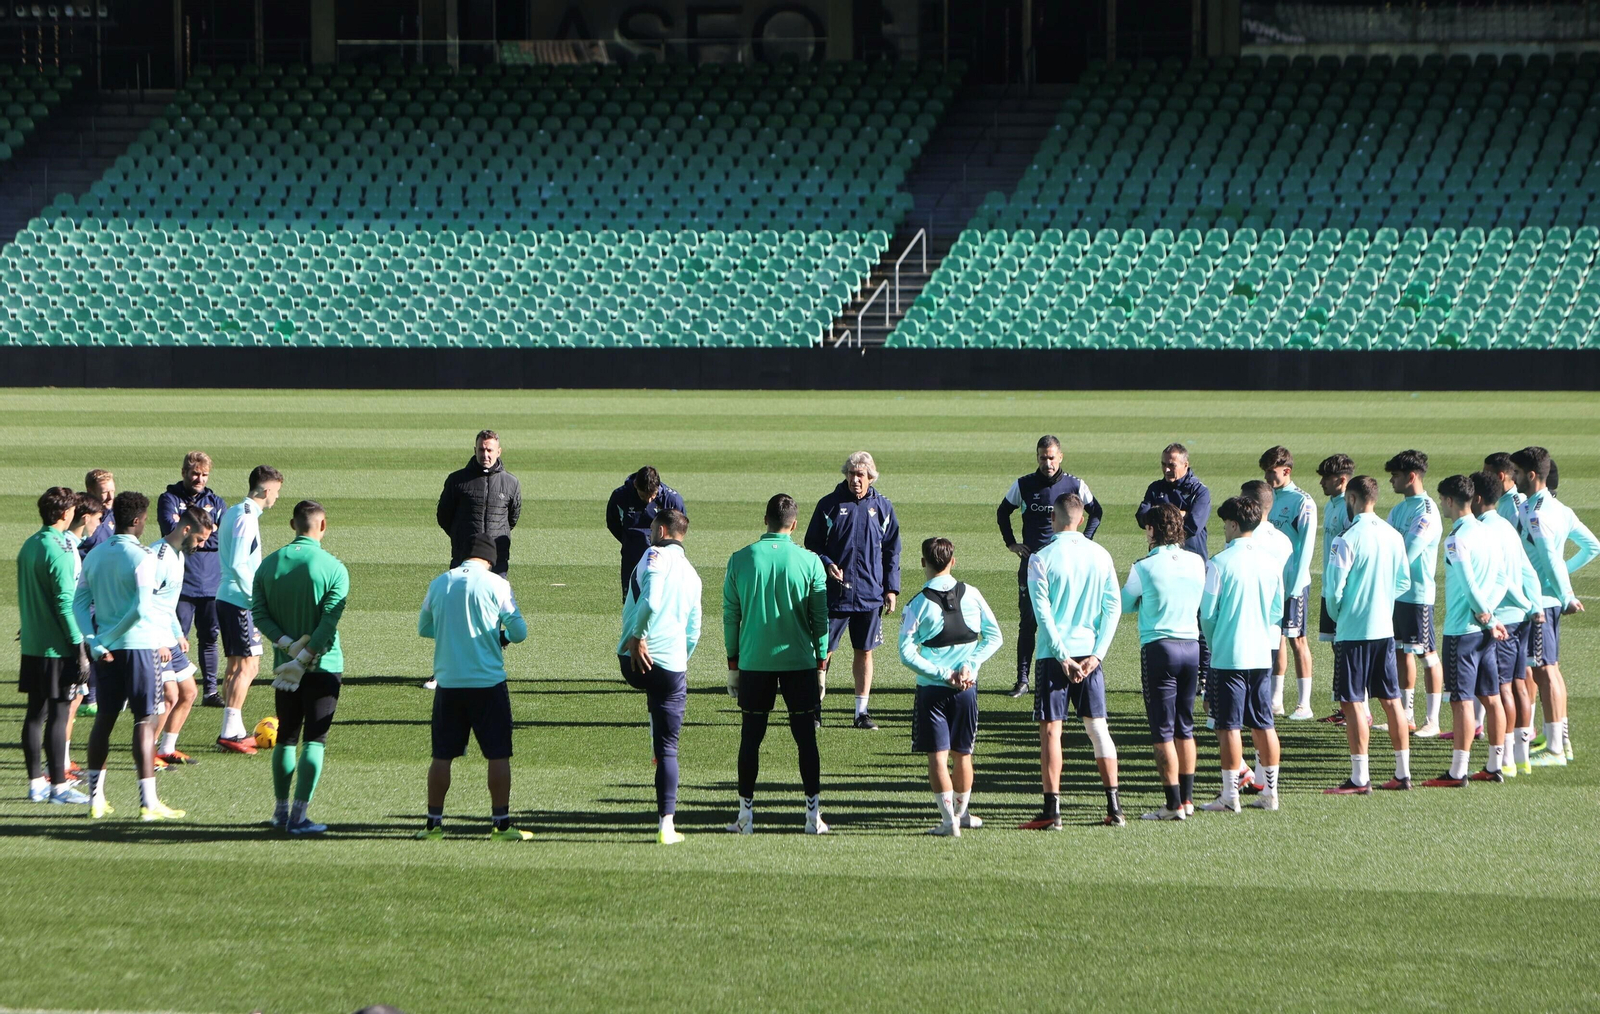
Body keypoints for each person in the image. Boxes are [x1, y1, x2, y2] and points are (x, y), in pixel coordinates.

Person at [72, 491, 185, 821]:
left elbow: (79, 603)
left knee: (104, 719)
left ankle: (96, 799)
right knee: (144, 721)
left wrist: (94, 640)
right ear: (137, 520)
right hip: (139, 647)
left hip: (105, 653)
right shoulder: (144, 556)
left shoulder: (95, 554)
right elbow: (140, 609)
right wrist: (105, 637)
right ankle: (148, 803)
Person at [723, 494, 830, 835]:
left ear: (764, 519)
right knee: (806, 741)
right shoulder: (810, 562)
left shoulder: (740, 559)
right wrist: (821, 665)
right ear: (794, 524)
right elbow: (820, 619)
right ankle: (813, 817)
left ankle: (745, 817)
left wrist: (732, 663)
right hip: (799, 663)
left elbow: (731, 616)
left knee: (750, 739)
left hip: (754, 663)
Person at [416, 533, 531, 841]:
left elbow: (424, 627)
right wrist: (498, 637)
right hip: (488, 683)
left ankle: (433, 825)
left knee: (442, 756)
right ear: (490, 560)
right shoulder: (497, 584)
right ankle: (501, 825)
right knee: (497, 755)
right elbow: (519, 632)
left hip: (449, 683)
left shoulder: (441, 582)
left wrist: (452, 633)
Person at [1021, 493, 1123, 829]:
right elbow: (1113, 608)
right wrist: (1097, 655)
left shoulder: (1040, 558)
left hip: (1055, 656)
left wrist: (1063, 656)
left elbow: (1042, 613)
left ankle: (1052, 812)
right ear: (1080, 519)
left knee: (1052, 732)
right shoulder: (1101, 555)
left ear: (1054, 518)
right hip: (1090, 656)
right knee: (1098, 729)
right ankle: (1114, 807)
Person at [254, 500, 351, 835]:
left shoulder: (268, 565)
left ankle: (280, 813)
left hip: (284, 670)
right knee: (315, 740)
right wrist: (306, 656)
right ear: (322, 526)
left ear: (292, 524)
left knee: (286, 738)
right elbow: (328, 623)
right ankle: (299, 816)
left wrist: (287, 647)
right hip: (323, 667)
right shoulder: (334, 568)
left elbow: (259, 614)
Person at [898, 537, 1002, 836]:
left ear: (923, 563)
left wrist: (943, 674)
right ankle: (962, 813)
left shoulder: (917, 604)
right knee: (963, 754)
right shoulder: (973, 594)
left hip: (932, 691)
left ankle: (949, 822)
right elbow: (994, 637)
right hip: (966, 690)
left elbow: (906, 653)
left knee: (938, 757)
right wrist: (971, 665)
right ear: (952, 562)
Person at [1323, 476, 1413, 794]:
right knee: (1392, 702)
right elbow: (1404, 582)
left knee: (1352, 702)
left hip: (1353, 631)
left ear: (1352, 498)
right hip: (1383, 630)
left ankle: (1360, 778)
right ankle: (1403, 773)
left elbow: (1333, 591)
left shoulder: (1346, 539)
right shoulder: (1393, 535)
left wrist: (1340, 616)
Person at [616, 508, 701, 845]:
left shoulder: (654, 553)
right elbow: (694, 631)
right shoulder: (693, 574)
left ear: (662, 530)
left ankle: (654, 727)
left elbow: (650, 600)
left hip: (636, 659)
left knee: (652, 693)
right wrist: (679, 657)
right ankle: (667, 825)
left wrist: (637, 636)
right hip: (673, 667)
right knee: (669, 750)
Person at [1197, 496, 1285, 813]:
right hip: (1261, 655)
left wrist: (1214, 639)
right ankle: (1271, 793)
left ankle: (1230, 795)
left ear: (1234, 524)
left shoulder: (1219, 564)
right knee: (1264, 723)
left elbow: (1206, 614)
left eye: (1225, 524)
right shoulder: (1271, 563)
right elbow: (1277, 611)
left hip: (1228, 656)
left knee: (1228, 726)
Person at [997, 435, 1102, 698]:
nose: (1048, 463)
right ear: (1037, 457)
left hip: (1066, 564)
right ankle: (1022, 679)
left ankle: (1063, 668)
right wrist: (1012, 544)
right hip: (1033, 564)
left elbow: (1096, 511)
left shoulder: (1075, 484)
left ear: (1061, 457)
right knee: (1029, 620)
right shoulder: (1024, 485)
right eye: (1043, 457)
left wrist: (1084, 539)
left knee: (1064, 617)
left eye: (1052, 457)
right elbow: (1002, 512)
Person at [1512, 445, 1598, 766]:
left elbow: (1549, 558)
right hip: (1548, 599)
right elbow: (1593, 547)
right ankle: (1559, 740)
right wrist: (1563, 578)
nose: (1515, 478)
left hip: (1540, 603)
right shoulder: (1558, 509)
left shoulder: (1536, 513)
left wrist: (1564, 594)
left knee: (1544, 671)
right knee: (1552, 670)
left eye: (1518, 473)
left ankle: (1555, 751)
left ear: (1532, 475)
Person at [804, 451, 901, 729]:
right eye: (851, 474)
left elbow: (892, 550)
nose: (855, 480)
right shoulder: (829, 504)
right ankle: (814, 708)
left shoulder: (883, 507)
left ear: (871, 477)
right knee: (823, 651)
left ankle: (861, 712)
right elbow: (812, 544)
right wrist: (827, 563)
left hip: (870, 594)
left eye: (860, 475)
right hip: (835, 593)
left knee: (865, 650)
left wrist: (891, 589)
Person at [1122, 504, 1206, 820]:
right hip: (1191, 646)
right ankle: (1186, 799)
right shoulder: (1197, 561)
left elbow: (1126, 603)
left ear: (1153, 530)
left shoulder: (1144, 567)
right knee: (1186, 726)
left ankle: (1172, 805)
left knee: (1163, 729)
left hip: (1159, 648)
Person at [1425, 475, 1508, 788]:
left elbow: (1469, 583)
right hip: (1486, 629)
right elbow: (1502, 578)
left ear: (1448, 500)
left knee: (1461, 700)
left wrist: (1485, 616)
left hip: (1463, 631)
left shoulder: (1455, 540)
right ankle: (1494, 765)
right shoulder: (1489, 533)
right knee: (1491, 696)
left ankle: (1458, 772)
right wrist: (1491, 614)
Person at [16, 487, 90, 805]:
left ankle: (36, 785)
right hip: (57, 648)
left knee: (35, 714)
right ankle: (59, 787)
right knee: (58, 715)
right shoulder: (59, 549)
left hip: (33, 644)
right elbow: (64, 603)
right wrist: (79, 646)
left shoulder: (30, 545)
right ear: (64, 514)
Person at [1470, 471, 1540, 779]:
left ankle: (1506, 759)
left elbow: (1503, 578)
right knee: (1519, 683)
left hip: (1503, 618)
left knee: (1502, 689)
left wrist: (1520, 605)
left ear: (1478, 498)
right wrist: (1533, 606)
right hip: (1520, 618)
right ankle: (1521, 758)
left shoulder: (1485, 530)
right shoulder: (1507, 527)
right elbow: (1527, 570)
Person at [215, 465, 285, 754]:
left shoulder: (234, 511)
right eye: (277, 492)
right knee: (249, 666)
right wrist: (256, 600)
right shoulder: (246, 519)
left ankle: (230, 728)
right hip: (240, 600)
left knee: (235, 667)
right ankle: (231, 731)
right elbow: (238, 563)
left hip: (227, 597)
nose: (277, 498)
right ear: (267, 490)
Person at [157, 452, 228, 707]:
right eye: (195, 473)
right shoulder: (169, 499)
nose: (199, 478)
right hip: (182, 584)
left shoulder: (217, 501)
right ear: (184, 473)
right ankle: (169, 686)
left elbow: (224, 538)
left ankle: (210, 691)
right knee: (176, 636)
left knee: (210, 637)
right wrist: (208, 534)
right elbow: (170, 529)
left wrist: (199, 537)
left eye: (204, 474)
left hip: (211, 583)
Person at [148, 506, 218, 768]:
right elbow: (146, 602)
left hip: (168, 636)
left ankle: (167, 748)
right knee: (169, 696)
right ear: (186, 529)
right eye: (199, 539)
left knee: (188, 692)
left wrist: (177, 633)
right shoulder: (158, 556)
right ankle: (148, 753)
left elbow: (167, 603)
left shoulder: (179, 555)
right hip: (155, 639)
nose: (200, 545)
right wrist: (157, 642)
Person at [1384, 450, 1444, 738]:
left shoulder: (1426, 511)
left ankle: (1432, 720)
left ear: (1411, 477)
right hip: (1396, 593)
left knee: (1427, 654)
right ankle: (1406, 714)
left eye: (1395, 476)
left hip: (1417, 594)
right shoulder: (1399, 509)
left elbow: (1407, 552)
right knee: (1401, 650)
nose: (1391, 482)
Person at [1258, 446, 1317, 720]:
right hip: (1270, 582)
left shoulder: (1303, 502)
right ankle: (1276, 700)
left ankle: (1304, 703)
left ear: (1287, 470)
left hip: (1293, 583)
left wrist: (1295, 585)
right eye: (1266, 472)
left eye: (1273, 472)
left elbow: (1306, 546)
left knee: (1298, 639)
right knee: (1276, 638)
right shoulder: (1266, 498)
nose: (1268, 477)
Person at [59, 491, 105, 773]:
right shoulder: (69, 549)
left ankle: (61, 760)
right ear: (85, 518)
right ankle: (60, 763)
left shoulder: (66, 545)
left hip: (66, 635)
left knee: (70, 700)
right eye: (98, 519)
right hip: (70, 638)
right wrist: (79, 642)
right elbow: (66, 599)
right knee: (70, 701)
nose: (99, 525)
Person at [437, 429, 521, 576]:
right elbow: (444, 516)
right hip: (464, 556)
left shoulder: (510, 483)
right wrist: (461, 535)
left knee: (496, 599)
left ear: (499, 452)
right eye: (481, 450)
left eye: (490, 450)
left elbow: (512, 518)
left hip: (497, 558)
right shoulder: (457, 480)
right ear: (475, 450)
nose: (485, 455)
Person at [1314, 454, 1357, 724]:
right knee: (1334, 646)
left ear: (1342, 480)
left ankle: (1355, 708)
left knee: (1345, 649)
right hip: (1329, 585)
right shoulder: (1331, 505)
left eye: (1326, 478)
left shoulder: (1348, 508)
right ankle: (1346, 708)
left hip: (1343, 589)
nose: (1321, 482)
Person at [607, 466, 688, 594]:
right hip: (633, 559)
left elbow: (680, 528)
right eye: (643, 495)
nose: (649, 500)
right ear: (635, 485)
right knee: (633, 605)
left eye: (653, 495)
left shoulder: (672, 500)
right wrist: (631, 542)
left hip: (664, 562)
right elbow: (613, 523)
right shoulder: (620, 497)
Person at [75, 468, 116, 715]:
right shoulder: (84, 517)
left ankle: (94, 694)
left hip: (104, 591)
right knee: (87, 643)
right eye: (104, 493)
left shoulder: (110, 515)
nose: (110, 496)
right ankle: (87, 697)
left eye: (112, 490)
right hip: (86, 592)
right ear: (91, 493)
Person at [1135, 443, 1211, 558]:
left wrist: (1159, 519)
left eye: (1171, 465)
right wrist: (1181, 514)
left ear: (1185, 465)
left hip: (1191, 557)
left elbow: (1193, 526)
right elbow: (1142, 517)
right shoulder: (1155, 488)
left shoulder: (1199, 491)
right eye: (1163, 464)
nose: (1166, 469)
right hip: (1160, 557)